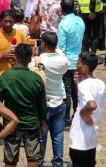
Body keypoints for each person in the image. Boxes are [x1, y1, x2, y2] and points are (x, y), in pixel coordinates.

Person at [0, 43, 47, 167]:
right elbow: (42, 105)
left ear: (15, 57)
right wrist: (42, 122)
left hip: (11, 125)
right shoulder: (36, 78)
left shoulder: (6, 76)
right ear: (30, 58)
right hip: (32, 124)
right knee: (33, 159)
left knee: (10, 159)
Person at [31, 32, 71, 167]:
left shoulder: (38, 60)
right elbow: (66, 62)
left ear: (44, 44)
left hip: (44, 103)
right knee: (58, 137)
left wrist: (36, 54)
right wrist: (57, 48)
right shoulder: (62, 60)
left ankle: (40, 163)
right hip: (59, 100)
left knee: (41, 138)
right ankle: (58, 163)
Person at [69, 51, 105, 167]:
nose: (76, 65)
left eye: (78, 63)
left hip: (80, 138)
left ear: (85, 67)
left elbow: (91, 104)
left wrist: (82, 112)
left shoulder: (84, 86)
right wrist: (79, 83)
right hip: (91, 137)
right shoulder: (100, 83)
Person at [57, 0, 85, 128]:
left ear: (62, 10)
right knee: (76, 92)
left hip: (67, 62)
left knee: (67, 92)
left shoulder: (63, 24)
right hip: (78, 61)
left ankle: (66, 120)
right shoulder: (80, 20)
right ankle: (76, 116)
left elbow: (60, 46)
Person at [0, 10, 26, 85]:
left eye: (10, 21)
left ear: (14, 22)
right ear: (1, 22)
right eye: (5, 21)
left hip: (17, 77)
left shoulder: (20, 35)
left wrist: (18, 56)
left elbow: (26, 54)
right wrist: (1, 56)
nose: (8, 24)